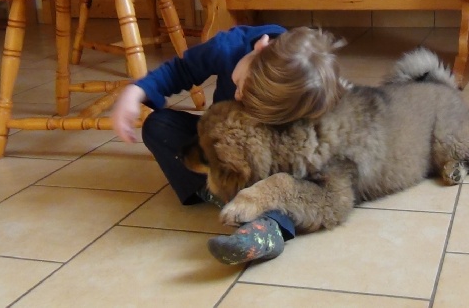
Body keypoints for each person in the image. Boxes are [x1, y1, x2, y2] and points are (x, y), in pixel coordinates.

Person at [111, 25, 345, 265]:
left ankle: (269, 227)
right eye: (242, 85)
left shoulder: (295, 96)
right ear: (260, 47)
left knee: (289, 179)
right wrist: (137, 91)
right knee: (157, 126)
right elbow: (180, 70)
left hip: (258, 163)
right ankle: (219, 193)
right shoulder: (228, 47)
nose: (238, 96)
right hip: (219, 147)